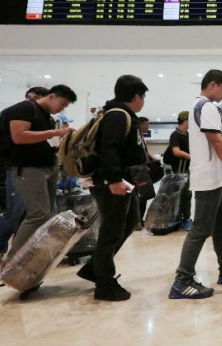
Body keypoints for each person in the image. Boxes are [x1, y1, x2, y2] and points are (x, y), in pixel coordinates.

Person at [169, 69, 222, 300]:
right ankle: (181, 280)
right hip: (209, 178)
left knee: (221, 226)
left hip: (218, 177)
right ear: (213, 84)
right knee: (200, 230)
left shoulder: (202, 108)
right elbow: (216, 140)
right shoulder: (206, 107)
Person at [73, 75, 148, 301]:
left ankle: (94, 268)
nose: (143, 101)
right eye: (142, 96)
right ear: (136, 96)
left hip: (121, 181)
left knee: (130, 220)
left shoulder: (118, 114)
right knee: (111, 231)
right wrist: (114, 179)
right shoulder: (117, 116)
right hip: (111, 183)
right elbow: (109, 150)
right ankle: (104, 284)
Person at [5, 85, 77, 262]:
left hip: (47, 166)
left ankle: (34, 255)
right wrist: (55, 132)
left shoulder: (45, 115)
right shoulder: (24, 108)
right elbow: (19, 136)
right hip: (28, 168)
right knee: (38, 214)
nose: (62, 108)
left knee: (47, 214)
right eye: (62, 103)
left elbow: (41, 140)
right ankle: (14, 259)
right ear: (51, 96)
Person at [0, 87, 48, 268]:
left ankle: (22, 250)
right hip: (18, 170)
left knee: (29, 214)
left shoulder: (42, 118)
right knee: (14, 212)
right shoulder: (17, 115)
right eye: (28, 97)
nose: (30, 101)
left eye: (35, 98)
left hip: (34, 171)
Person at [167, 111, 192, 230]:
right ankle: (182, 218)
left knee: (186, 194)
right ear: (186, 121)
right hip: (179, 169)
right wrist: (190, 156)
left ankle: (184, 218)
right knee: (183, 194)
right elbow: (176, 151)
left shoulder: (187, 134)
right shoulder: (175, 134)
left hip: (187, 168)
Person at [135, 116, 152, 230]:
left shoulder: (142, 137)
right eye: (146, 124)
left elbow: (145, 152)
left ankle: (140, 219)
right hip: (137, 171)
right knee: (139, 196)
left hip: (143, 169)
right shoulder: (135, 137)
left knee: (144, 195)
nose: (148, 126)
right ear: (140, 124)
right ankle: (136, 221)